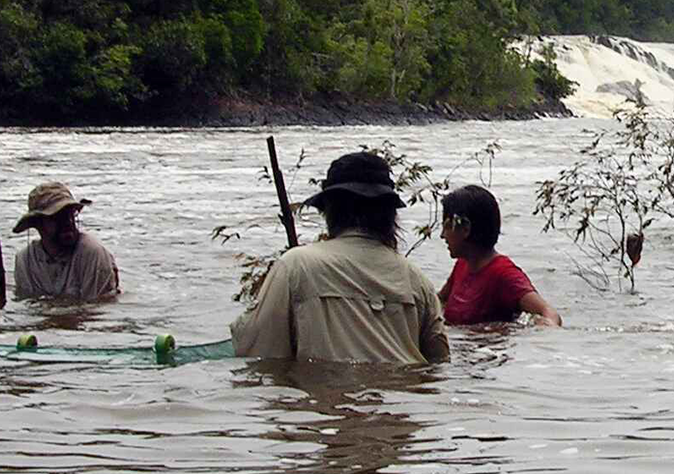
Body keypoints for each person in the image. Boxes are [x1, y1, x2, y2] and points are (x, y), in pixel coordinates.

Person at [231, 151, 450, 365]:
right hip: (400, 397)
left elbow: (259, 351)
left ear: (330, 210)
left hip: (327, 396)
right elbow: (438, 362)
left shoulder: (296, 265)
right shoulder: (417, 280)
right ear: (390, 214)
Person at [438, 185, 562, 326]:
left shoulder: (503, 274)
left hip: (487, 348)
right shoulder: (462, 265)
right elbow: (439, 301)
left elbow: (548, 312)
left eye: (447, 227)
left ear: (466, 229)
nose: (442, 235)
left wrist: (546, 334)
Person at [10, 181, 121, 300]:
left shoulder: (93, 254)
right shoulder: (25, 260)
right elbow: (28, 305)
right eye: (57, 217)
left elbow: (96, 310)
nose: (68, 222)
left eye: (70, 215)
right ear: (37, 223)